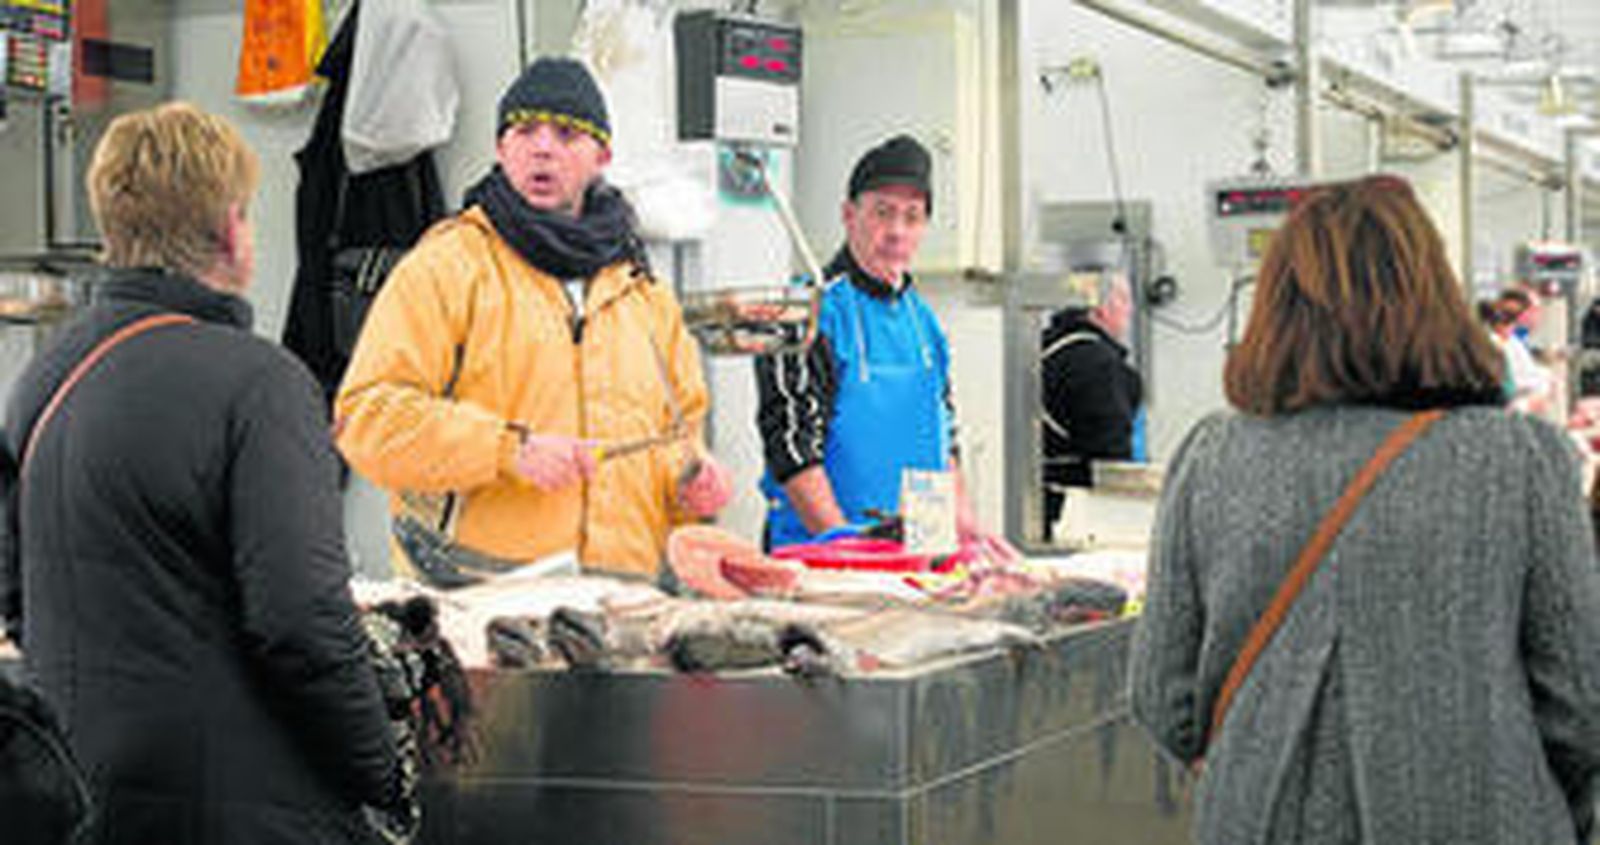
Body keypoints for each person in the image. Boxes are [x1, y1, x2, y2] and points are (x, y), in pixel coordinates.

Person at [1130, 174, 1600, 844]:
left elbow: (1160, 692)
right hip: (1482, 812)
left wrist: (1260, 752)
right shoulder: (1523, 460)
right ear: (1434, 296)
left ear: (1280, 307)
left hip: (1264, 816)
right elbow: (1581, 698)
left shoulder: (1213, 456)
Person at [0, 103, 406, 843]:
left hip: (84, 802)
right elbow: (303, 624)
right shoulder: (261, 382)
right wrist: (384, 772)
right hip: (238, 808)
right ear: (229, 228)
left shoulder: (41, 379)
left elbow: (18, 599)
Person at [336, 57, 731, 583]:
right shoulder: (448, 266)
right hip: (478, 600)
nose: (543, 146)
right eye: (524, 131)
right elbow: (368, 418)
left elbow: (680, 434)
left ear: (602, 156)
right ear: (502, 150)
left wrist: (692, 482)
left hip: (623, 606)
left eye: (567, 134)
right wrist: (507, 450)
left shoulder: (644, 294)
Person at [754, 135, 968, 548]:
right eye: (883, 213)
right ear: (849, 215)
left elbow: (948, 443)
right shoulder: (804, 311)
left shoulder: (925, 323)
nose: (897, 232)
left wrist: (967, 533)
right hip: (819, 558)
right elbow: (793, 450)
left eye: (913, 217)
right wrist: (846, 550)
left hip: (915, 559)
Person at [1038, 273, 1144, 541]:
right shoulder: (1099, 365)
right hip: (1078, 516)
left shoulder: (1042, 346)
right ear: (1100, 307)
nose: (1130, 310)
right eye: (1124, 299)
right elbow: (1111, 455)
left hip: (1037, 500)